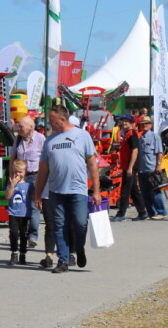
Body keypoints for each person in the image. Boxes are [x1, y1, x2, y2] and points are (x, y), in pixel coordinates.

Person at [34, 104, 101, 274]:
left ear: (62, 120)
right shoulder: (49, 140)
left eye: (52, 120)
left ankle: (79, 248)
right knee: (59, 225)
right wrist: (37, 194)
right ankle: (63, 260)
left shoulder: (82, 136)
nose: (49, 123)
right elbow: (43, 170)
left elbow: (92, 164)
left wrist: (96, 190)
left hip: (78, 189)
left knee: (80, 223)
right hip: (56, 191)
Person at [10, 115, 45, 248]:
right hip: (20, 176)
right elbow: (12, 157)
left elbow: (45, 159)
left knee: (34, 205)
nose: (19, 127)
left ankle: (33, 235)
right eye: (19, 125)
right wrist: (11, 175)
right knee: (19, 204)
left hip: (35, 176)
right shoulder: (18, 139)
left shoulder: (40, 139)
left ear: (31, 127)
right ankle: (20, 233)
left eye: (21, 125)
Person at [112, 114, 147, 222]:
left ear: (132, 123)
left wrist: (130, 167)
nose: (124, 123)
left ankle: (121, 213)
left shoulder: (132, 134)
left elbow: (135, 150)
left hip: (130, 166)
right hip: (128, 165)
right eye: (123, 121)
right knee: (133, 190)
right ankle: (142, 212)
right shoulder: (127, 134)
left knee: (125, 190)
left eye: (127, 121)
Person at [137, 115, 168, 220]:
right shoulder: (140, 138)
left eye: (146, 123)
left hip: (152, 169)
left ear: (150, 125)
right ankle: (151, 213)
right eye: (142, 124)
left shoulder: (155, 136)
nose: (144, 125)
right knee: (145, 193)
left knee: (155, 192)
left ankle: (161, 212)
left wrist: (158, 165)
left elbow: (159, 152)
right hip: (142, 169)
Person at [6, 159, 34, 265]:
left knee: (23, 234)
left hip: (25, 213)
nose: (18, 174)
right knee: (13, 233)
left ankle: (23, 254)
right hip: (13, 213)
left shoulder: (29, 185)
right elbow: (8, 196)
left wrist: (38, 202)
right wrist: (12, 185)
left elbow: (33, 197)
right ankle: (14, 253)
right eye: (16, 171)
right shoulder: (10, 183)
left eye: (20, 171)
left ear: (25, 172)